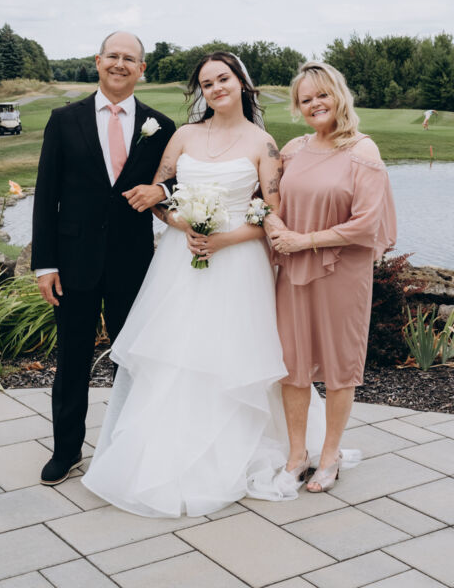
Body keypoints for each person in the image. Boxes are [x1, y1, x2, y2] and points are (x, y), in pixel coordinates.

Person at [81, 52, 327, 517]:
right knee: (178, 350)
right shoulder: (184, 136)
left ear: (241, 83)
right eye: (207, 83)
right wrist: (184, 226)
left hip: (238, 263)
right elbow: (160, 196)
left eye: (223, 79)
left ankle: (241, 447)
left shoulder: (262, 143)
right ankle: (164, 451)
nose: (216, 88)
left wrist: (223, 239)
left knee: (231, 351)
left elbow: (272, 213)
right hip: (182, 258)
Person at [31, 31, 176, 486]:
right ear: (98, 61)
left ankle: (128, 450)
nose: (119, 63)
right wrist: (45, 264)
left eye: (129, 58)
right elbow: (46, 195)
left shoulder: (160, 126)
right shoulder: (64, 119)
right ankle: (66, 451)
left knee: (130, 359)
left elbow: (182, 182)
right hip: (73, 262)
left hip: (133, 263)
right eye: (112, 55)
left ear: (141, 69)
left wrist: (162, 190)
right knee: (72, 360)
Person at [268, 61, 396, 492]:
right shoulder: (293, 150)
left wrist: (304, 241)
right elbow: (267, 202)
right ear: (298, 107)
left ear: (339, 95)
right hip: (292, 272)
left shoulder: (363, 151)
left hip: (342, 273)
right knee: (292, 364)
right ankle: (296, 455)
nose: (315, 104)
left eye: (322, 94)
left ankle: (330, 455)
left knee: (341, 365)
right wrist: (275, 227)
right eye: (306, 99)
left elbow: (366, 223)